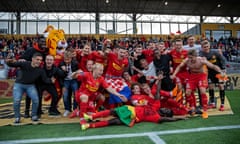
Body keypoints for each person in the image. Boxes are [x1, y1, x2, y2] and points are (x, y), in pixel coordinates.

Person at [171, 49, 223, 119]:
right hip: (192, 77)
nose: (190, 59)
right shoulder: (187, 60)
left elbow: (213, 66)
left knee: (202, 91)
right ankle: (192, 107)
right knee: (187, 92)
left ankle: (205, 110)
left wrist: (220, 71)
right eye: (189, 57)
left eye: (192, 57)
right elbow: (179, 67)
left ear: (195, 56)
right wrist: (174, 74)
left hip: (201, 76)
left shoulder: (201, 60)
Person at [6, 52, 55, 124]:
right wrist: (8, 61)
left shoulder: (40, 70)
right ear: (32, 59)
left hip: (30, 85)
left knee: (36, 100)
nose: (39, 61)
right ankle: (17, 117)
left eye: (40, 60)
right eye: (37, 59)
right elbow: (12, 64)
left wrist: (51, 80)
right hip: (19, 85)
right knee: (16, 101)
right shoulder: (24, 64)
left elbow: (45, 79)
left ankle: (34, 116)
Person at [81, 105, 185, 130]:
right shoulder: (156, 106)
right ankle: (91, 116)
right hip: (130, 108)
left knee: (112, 122)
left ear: (165, 115)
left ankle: (88, 125)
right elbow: (157, 94)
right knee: (112, 111)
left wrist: (180, 118)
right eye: (167, 108)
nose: (165, 108)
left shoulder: (157, 117)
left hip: (132, 116)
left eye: (167, 111)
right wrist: (159, 80)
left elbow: (169, 119)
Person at [199, 40, 227, 111]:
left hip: (219, 71)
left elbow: (223, 59)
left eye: (207, 46)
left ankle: (222, 104)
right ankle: (212, 103)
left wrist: (223, 68)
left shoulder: (215, 52)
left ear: (209, 46)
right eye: (204, 47)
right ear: (202, 47)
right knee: (211, 86)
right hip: (209, 72)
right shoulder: (201, 54)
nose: (206, 48)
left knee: (221, 86)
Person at [59, 51, 79, 117]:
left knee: (76, 95)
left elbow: (79, 71)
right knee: (65, 96)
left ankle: (75, 109)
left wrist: (76, 73)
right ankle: (67, 109)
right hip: (65, 81)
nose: (66, 61)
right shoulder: (61, 64)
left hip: (73, 80)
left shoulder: (75, 63)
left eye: (68, 59)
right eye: (65, 60)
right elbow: (59, 75)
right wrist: (62, 85)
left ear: (71, 58)